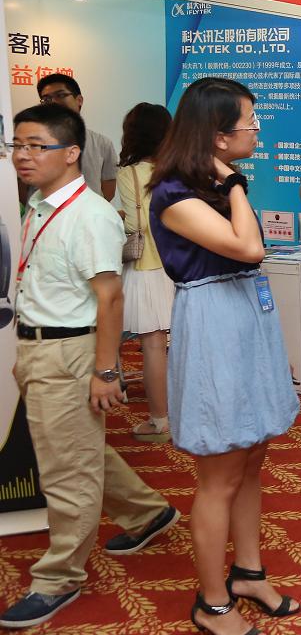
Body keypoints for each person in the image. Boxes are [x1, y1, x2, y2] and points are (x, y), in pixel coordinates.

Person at [1, 104, 178, 631]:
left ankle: (58, 577)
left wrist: (105, 371)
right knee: (77, 448)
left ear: (71, 153)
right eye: (17, 145)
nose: (24, 156)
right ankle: (147, 512)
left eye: (37, 146)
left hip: (69, 351)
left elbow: (110, 298)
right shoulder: (39, 205)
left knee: (65, 471)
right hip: (39, 348)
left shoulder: (89, 215)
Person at [148, 78, 301, 635]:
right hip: (214, 324)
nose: (257, 130)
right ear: (217, 135)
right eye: (249, 122)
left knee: (252, 456)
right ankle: (213, 603)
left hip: (246, 317)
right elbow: (249, 248)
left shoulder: (213, 184)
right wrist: (235, 182)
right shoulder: (174, 193)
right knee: (221, 474)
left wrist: (229, 181)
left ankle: (249, 574)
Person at [117, 102, 176, 441]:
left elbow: (136, 224)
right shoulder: (178, 169)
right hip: (180, 266)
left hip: (146, 268)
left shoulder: (130, 173)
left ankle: (160, 421)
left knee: (153, 347)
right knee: (187, 342)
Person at [35, 73, 118, 200]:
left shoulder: (102, 143)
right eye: (46, 99)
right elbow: (23, 188)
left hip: (88, 212)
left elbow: (108, 190)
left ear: (79, 100)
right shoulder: (30, 143)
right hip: (44, 212)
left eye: (60, 95)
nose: (53, 102)